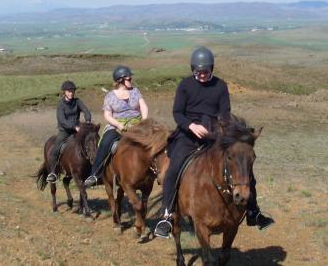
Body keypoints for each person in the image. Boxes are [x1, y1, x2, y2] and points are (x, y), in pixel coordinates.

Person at [154, 46, 274, 239]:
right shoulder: (184, 85)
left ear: (212, 68)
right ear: (193, 69)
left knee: (243, 168)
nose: (202, 74)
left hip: (214, 135)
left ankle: (253, 212)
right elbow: (177, 113)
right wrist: (191, 126)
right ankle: (167, 215)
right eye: (198, 71)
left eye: (206, 71)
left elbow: (225, 114)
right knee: (174, 169)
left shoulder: (220, 86)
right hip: (187, 134)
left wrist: (219, 131)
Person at [85, 65, 148, 187]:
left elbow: (143, 106)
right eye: (129, 79)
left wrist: (144, 121)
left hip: (137, 123)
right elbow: (107, 116)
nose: (131, 81)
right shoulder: (110, 96)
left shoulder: (135, 91)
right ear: (120, 80)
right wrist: (118, 125)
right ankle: (95, 174)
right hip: (116, 125)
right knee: (105, 142)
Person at [46, 80, 92, 184]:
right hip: (65, 131)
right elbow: (62, 120)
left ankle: (91, 170)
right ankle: (52, 172)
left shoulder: (77, 101)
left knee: (90, 142)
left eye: (72, 91)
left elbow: (86, 111)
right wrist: (74, 127)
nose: (71, 93)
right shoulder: (61, 105)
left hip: (78, 128)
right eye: (68, 91)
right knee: (56, 147)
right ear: (64, 92)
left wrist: (88, 121)